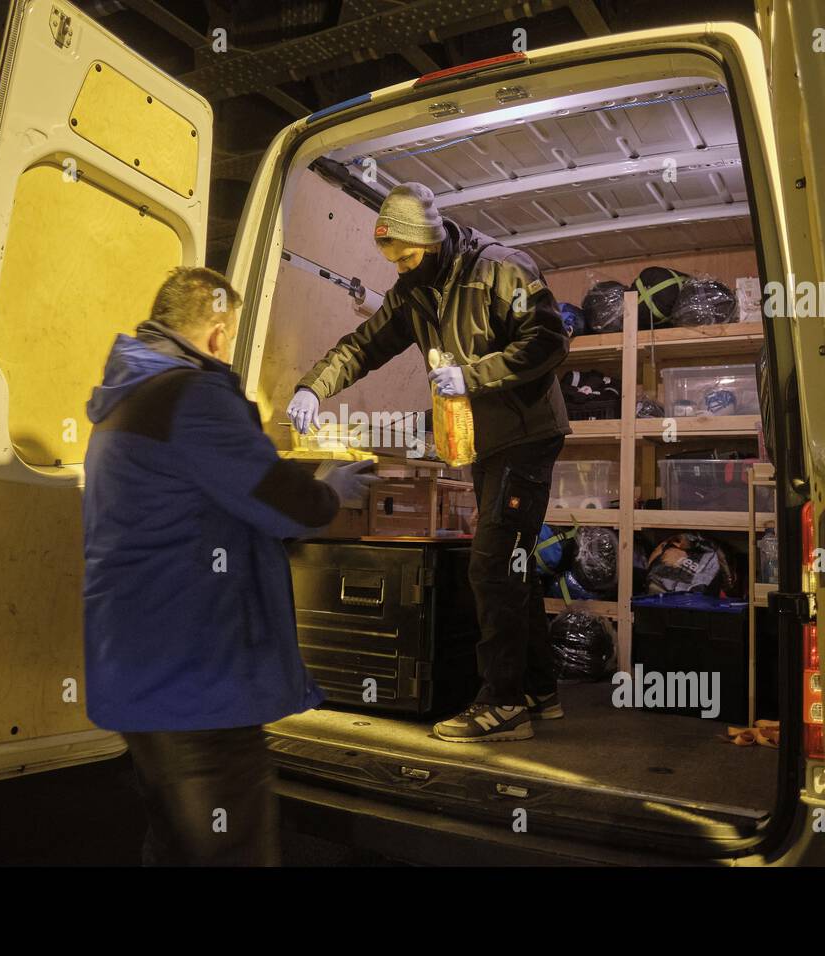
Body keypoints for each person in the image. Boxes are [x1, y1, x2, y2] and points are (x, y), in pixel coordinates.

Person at [82, 265, 377, 865]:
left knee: (174, 843)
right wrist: (330, 490)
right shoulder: (192, 396)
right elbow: (279, 501)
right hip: (197, 673)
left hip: (136, 668)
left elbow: (206, 501)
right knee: (230, 848)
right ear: (217, 335)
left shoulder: (123, 401)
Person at [287, 182, 570, 743]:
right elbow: (363, 345)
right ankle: (538, 687)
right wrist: (312, 389)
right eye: (393, 260)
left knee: (490, 562)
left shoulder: (501, 270)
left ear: (432, 239)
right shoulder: (414, 291)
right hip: (486, 442)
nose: (401, 268)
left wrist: (473, 374)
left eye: (408, 256)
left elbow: (549, 341)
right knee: (512, 561)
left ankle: (503, 704)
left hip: (526, 433)